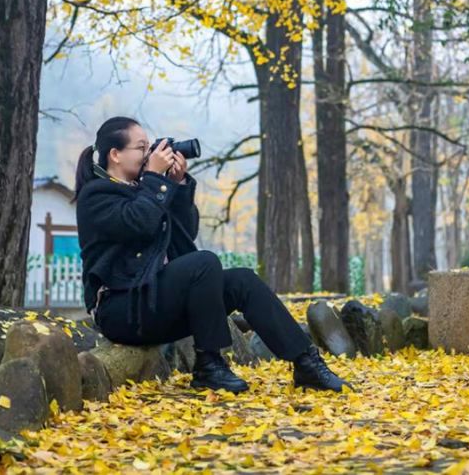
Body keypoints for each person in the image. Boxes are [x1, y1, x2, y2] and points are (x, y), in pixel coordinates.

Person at [74, 116, 352, 393]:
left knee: (242, 280)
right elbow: (139, 223)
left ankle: (306, 363)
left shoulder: (145, 189)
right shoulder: (96, 195)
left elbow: (185, 236)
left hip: (152, 303)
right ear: (115, 155)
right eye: (142, 147)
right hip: (121, 311)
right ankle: (209, 365)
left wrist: (178, 185)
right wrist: (156, 180)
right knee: (204, 262)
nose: (150, 154)